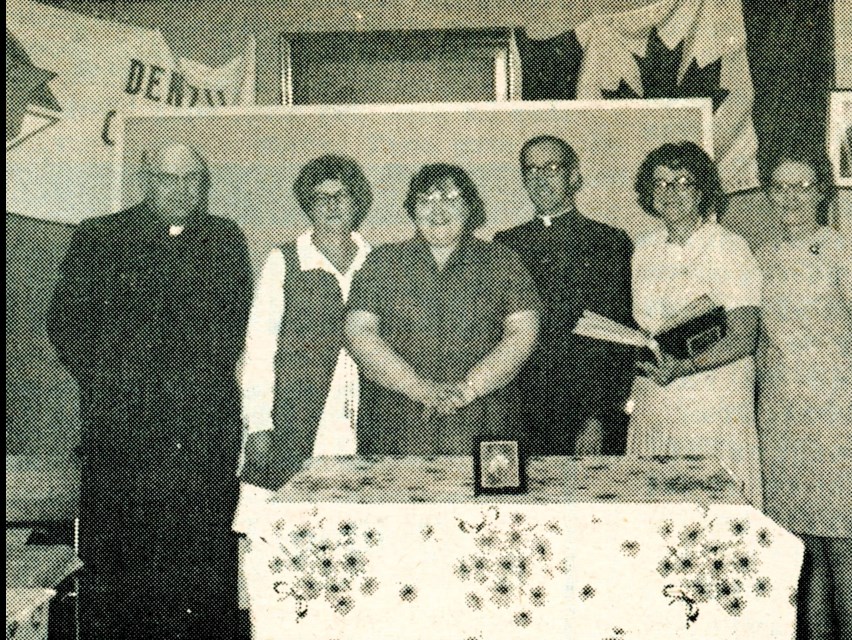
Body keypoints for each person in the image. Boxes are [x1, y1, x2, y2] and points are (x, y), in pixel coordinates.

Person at [47, 143, 253, 640]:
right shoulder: (100, 236)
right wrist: (119, 385)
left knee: (199, 561)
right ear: (146, 180)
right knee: (119, 565)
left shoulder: (225, 239)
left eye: (191, 179)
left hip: (199, 429)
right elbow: (67, 324)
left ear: (203, 185)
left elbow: (232, 326)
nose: (180, 190)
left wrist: (188, 386)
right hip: (124, 430)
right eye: (168, 178)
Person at [756, 147, 852, 640]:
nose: (791, 197)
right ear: (769, 196)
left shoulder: (843, 250)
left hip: (842, 413)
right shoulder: (763, 255)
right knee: (803, 549)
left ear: (821, 194)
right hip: (782, 416)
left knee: (845, 546)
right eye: (781, 188)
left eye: (803, 187)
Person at [232, 154, 374, 635]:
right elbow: (260, 344)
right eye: (320, 197)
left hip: (359, 410)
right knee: (270, 527)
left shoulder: (375, 259)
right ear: (306, 206)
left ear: (358, 203)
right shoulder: (283, 260)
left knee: (342, 529)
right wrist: (258, 423)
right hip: (293, 412)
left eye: (342, 196)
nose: (332, 206)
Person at [346, 163, 539, 455]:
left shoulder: (503, 261)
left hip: (486, 419)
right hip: (399, 423)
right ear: (412, 209)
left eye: (450, 199)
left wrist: (468, 389)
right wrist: (419, 388)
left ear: (469, 207)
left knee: (488, 501)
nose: (438, 211)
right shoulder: (382, 262)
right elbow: (359, 332)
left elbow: (523, 333)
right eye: (426, 201)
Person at [625, 141, 763, 506]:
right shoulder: (643, 249)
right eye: (660, 183)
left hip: (710, 403)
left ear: (702, 190)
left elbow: (744, 336)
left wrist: (684, 366)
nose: (669, 192)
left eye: (682, 182)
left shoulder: (728, 247)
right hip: (655, 398)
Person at [493, 135, 634, 455]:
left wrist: (599, 417)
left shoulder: (608, 241)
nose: (540, 177)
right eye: (531, 170)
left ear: (574, 177)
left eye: (552, 167)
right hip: (517, 411)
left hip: (584, 411)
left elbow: (618, 336)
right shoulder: (505, 244)